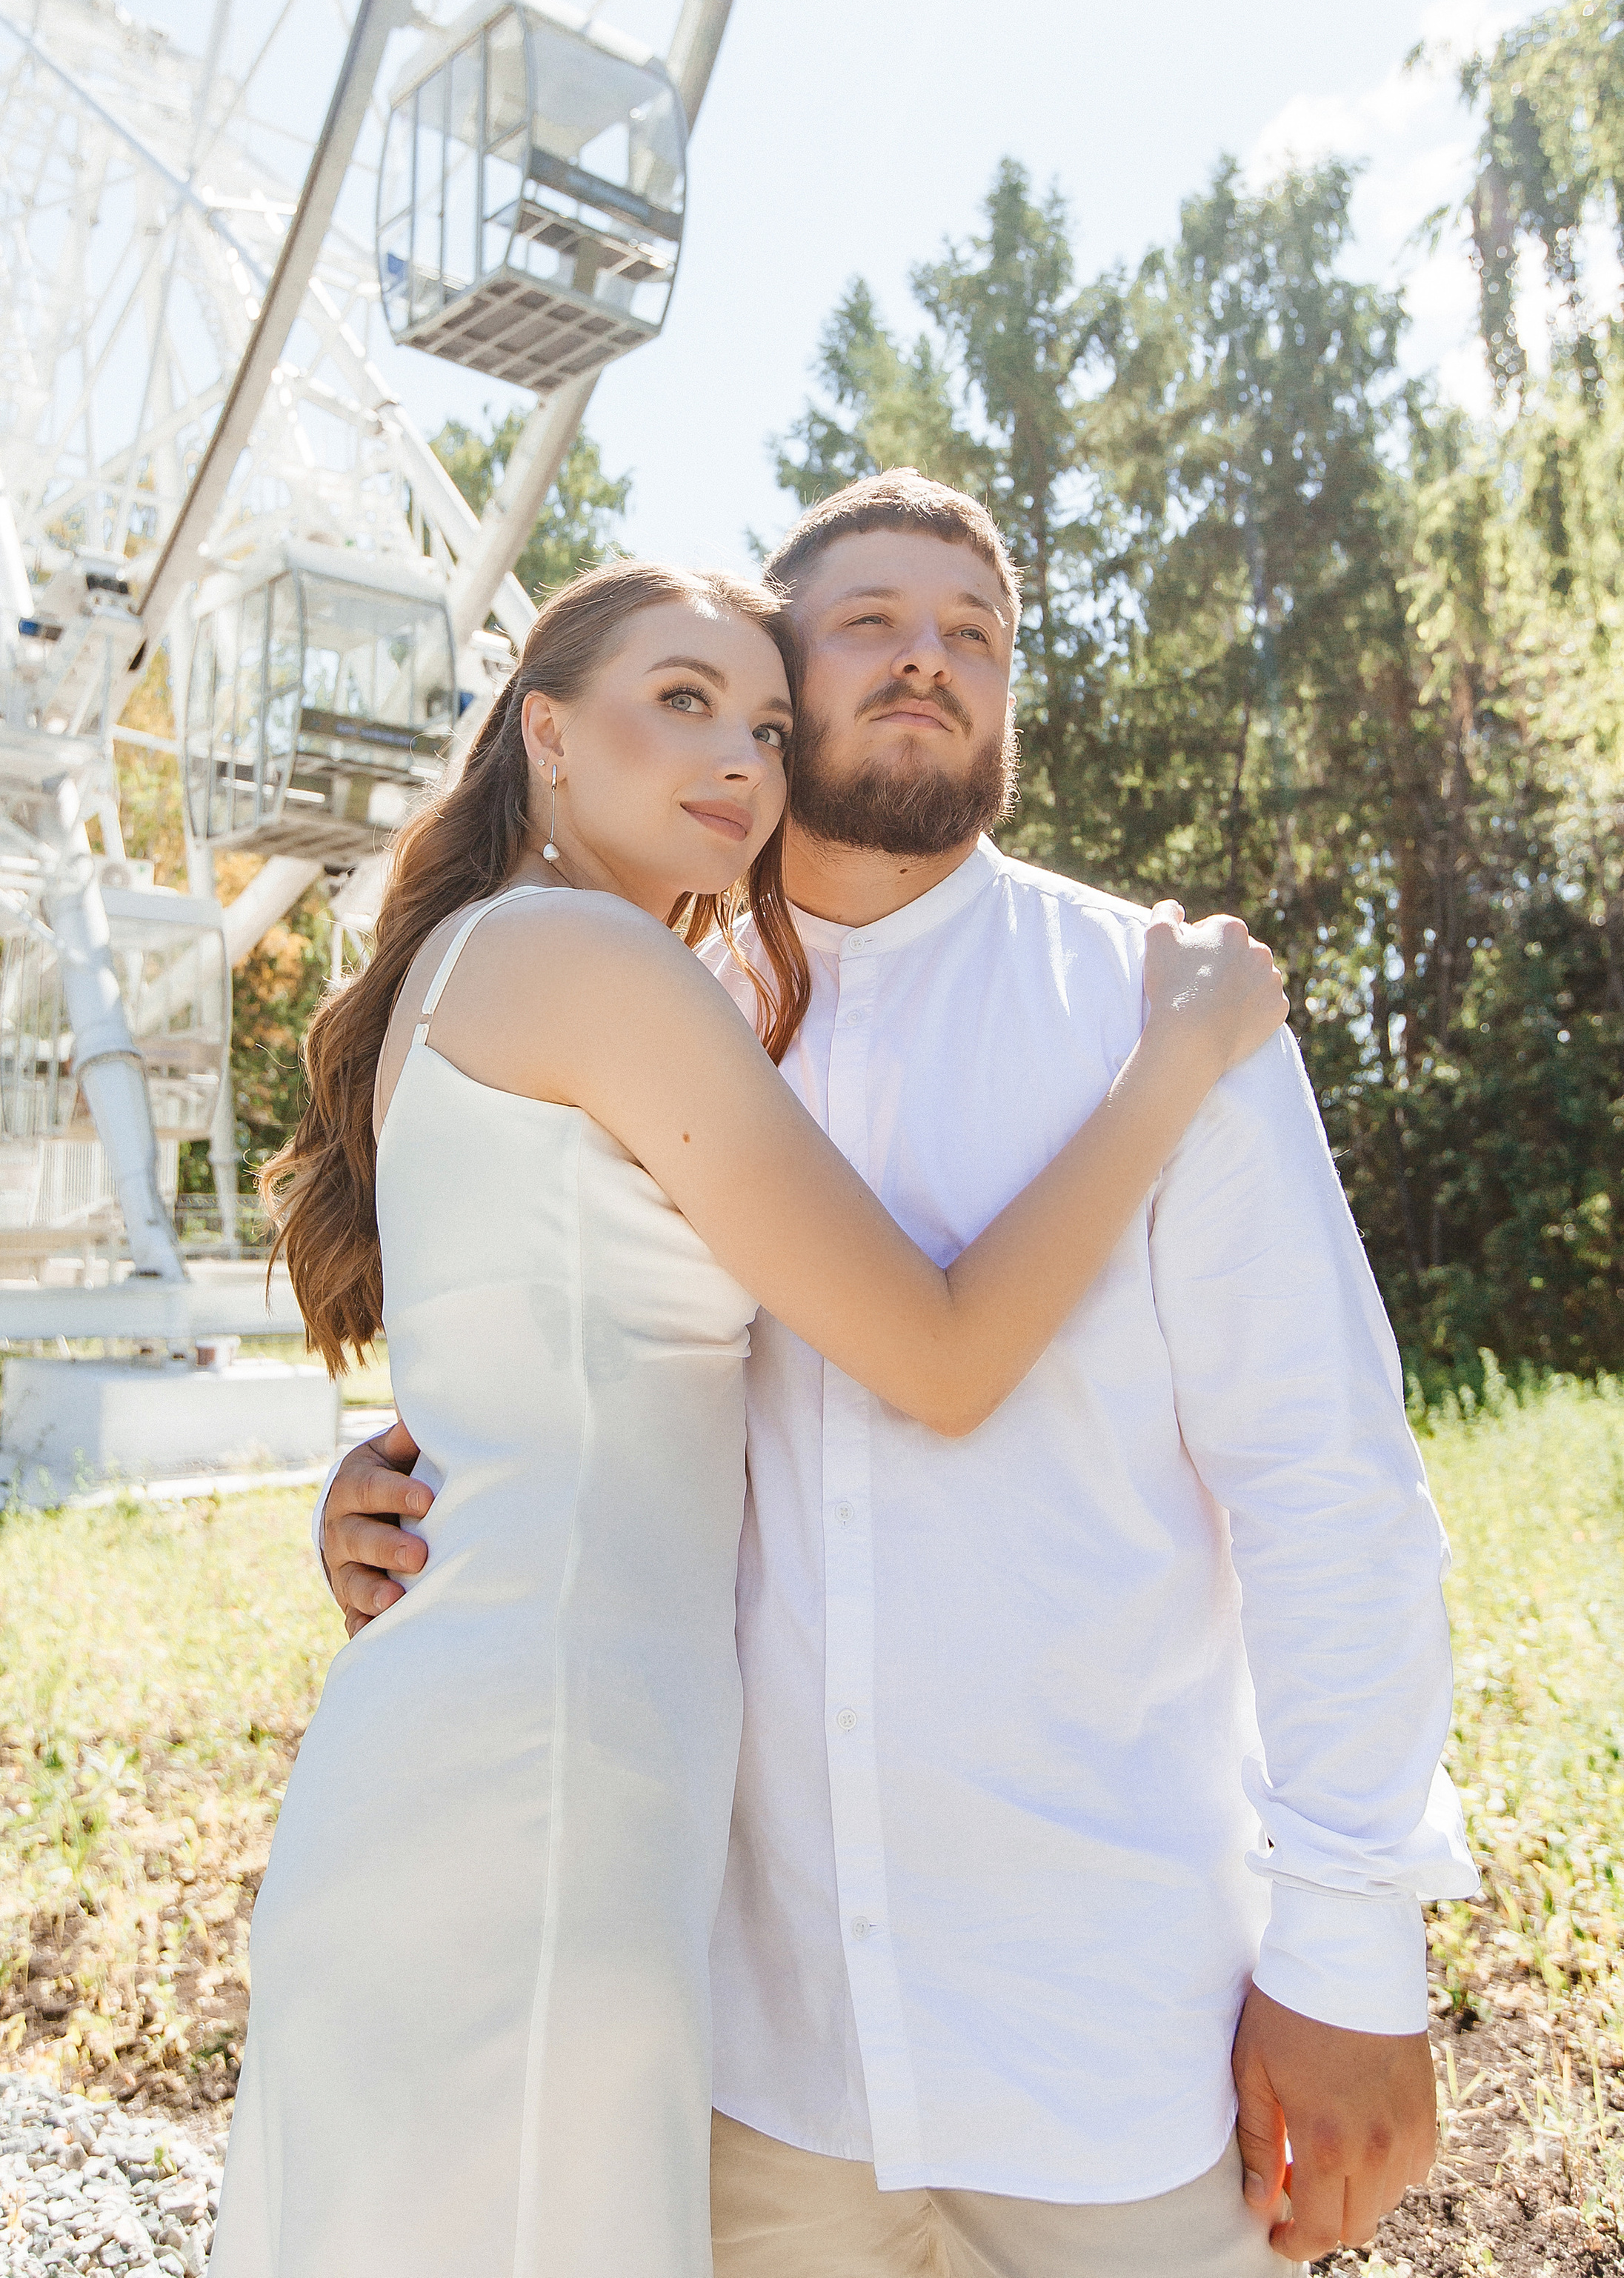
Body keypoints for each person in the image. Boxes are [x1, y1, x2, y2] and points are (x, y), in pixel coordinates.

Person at [321, 473, 1480, 2277]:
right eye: (865, 624)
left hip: (1101, 2055)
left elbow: (1326, 1487)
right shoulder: (657, 999)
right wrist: (396, 1486)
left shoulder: (1161, 1007)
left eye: (977, 635)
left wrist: (1350, 1954)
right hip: (745, 2056)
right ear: (784, 690)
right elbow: (579, 1356)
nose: (928, 659)